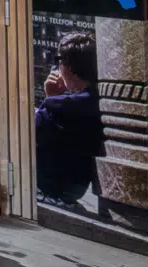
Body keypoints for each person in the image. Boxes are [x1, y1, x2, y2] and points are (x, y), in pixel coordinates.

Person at [34, 34, 104, 205]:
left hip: (50, 188)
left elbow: (35, 132)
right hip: (77, 188)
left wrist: (50, 98)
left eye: (59, 62)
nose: (57, 68)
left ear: (69, 67)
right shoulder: (97, 100)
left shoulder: (59, 106)